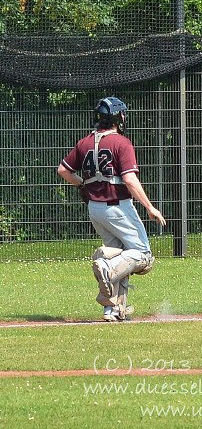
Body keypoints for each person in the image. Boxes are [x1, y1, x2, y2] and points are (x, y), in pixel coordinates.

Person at [57, 97, 166, 321]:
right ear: (117, 117)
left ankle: (113, 310)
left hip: (95, 209)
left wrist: (82, 184)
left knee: (121, 255)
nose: (124, 117)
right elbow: (130, 179)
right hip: (117, 207)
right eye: (122, 114)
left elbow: (63, 170)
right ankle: (107, 269)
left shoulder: (84, 143)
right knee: (142, 255)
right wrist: (150, 207)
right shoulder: (121, 143)